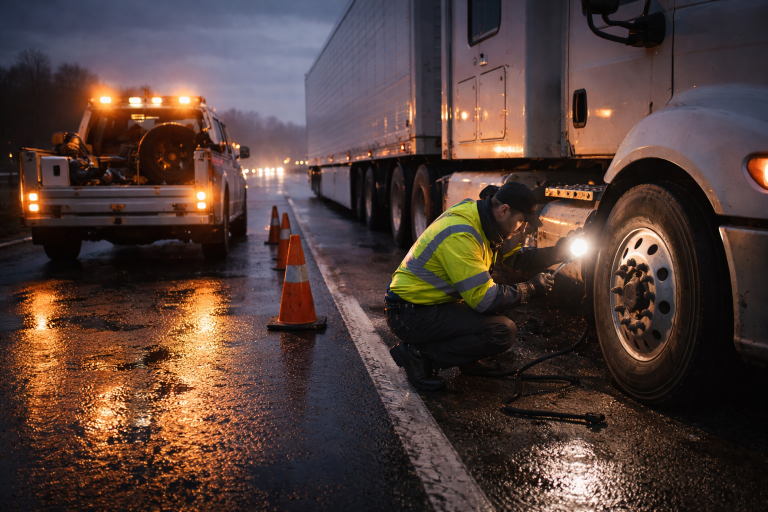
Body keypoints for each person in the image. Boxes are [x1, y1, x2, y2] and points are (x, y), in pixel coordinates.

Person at [385, 181, 573, 391]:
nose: (522, 228)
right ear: (504, 210)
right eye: (521, 221)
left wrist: (555, 254)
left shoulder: (486, 219)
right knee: (502, 331)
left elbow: (515, 259)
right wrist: (531, 288)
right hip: (408, 314)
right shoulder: (462, 234)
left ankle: (467, 358)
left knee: (499, 287)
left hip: (427, 304)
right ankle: (418, 357)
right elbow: (485, 299)